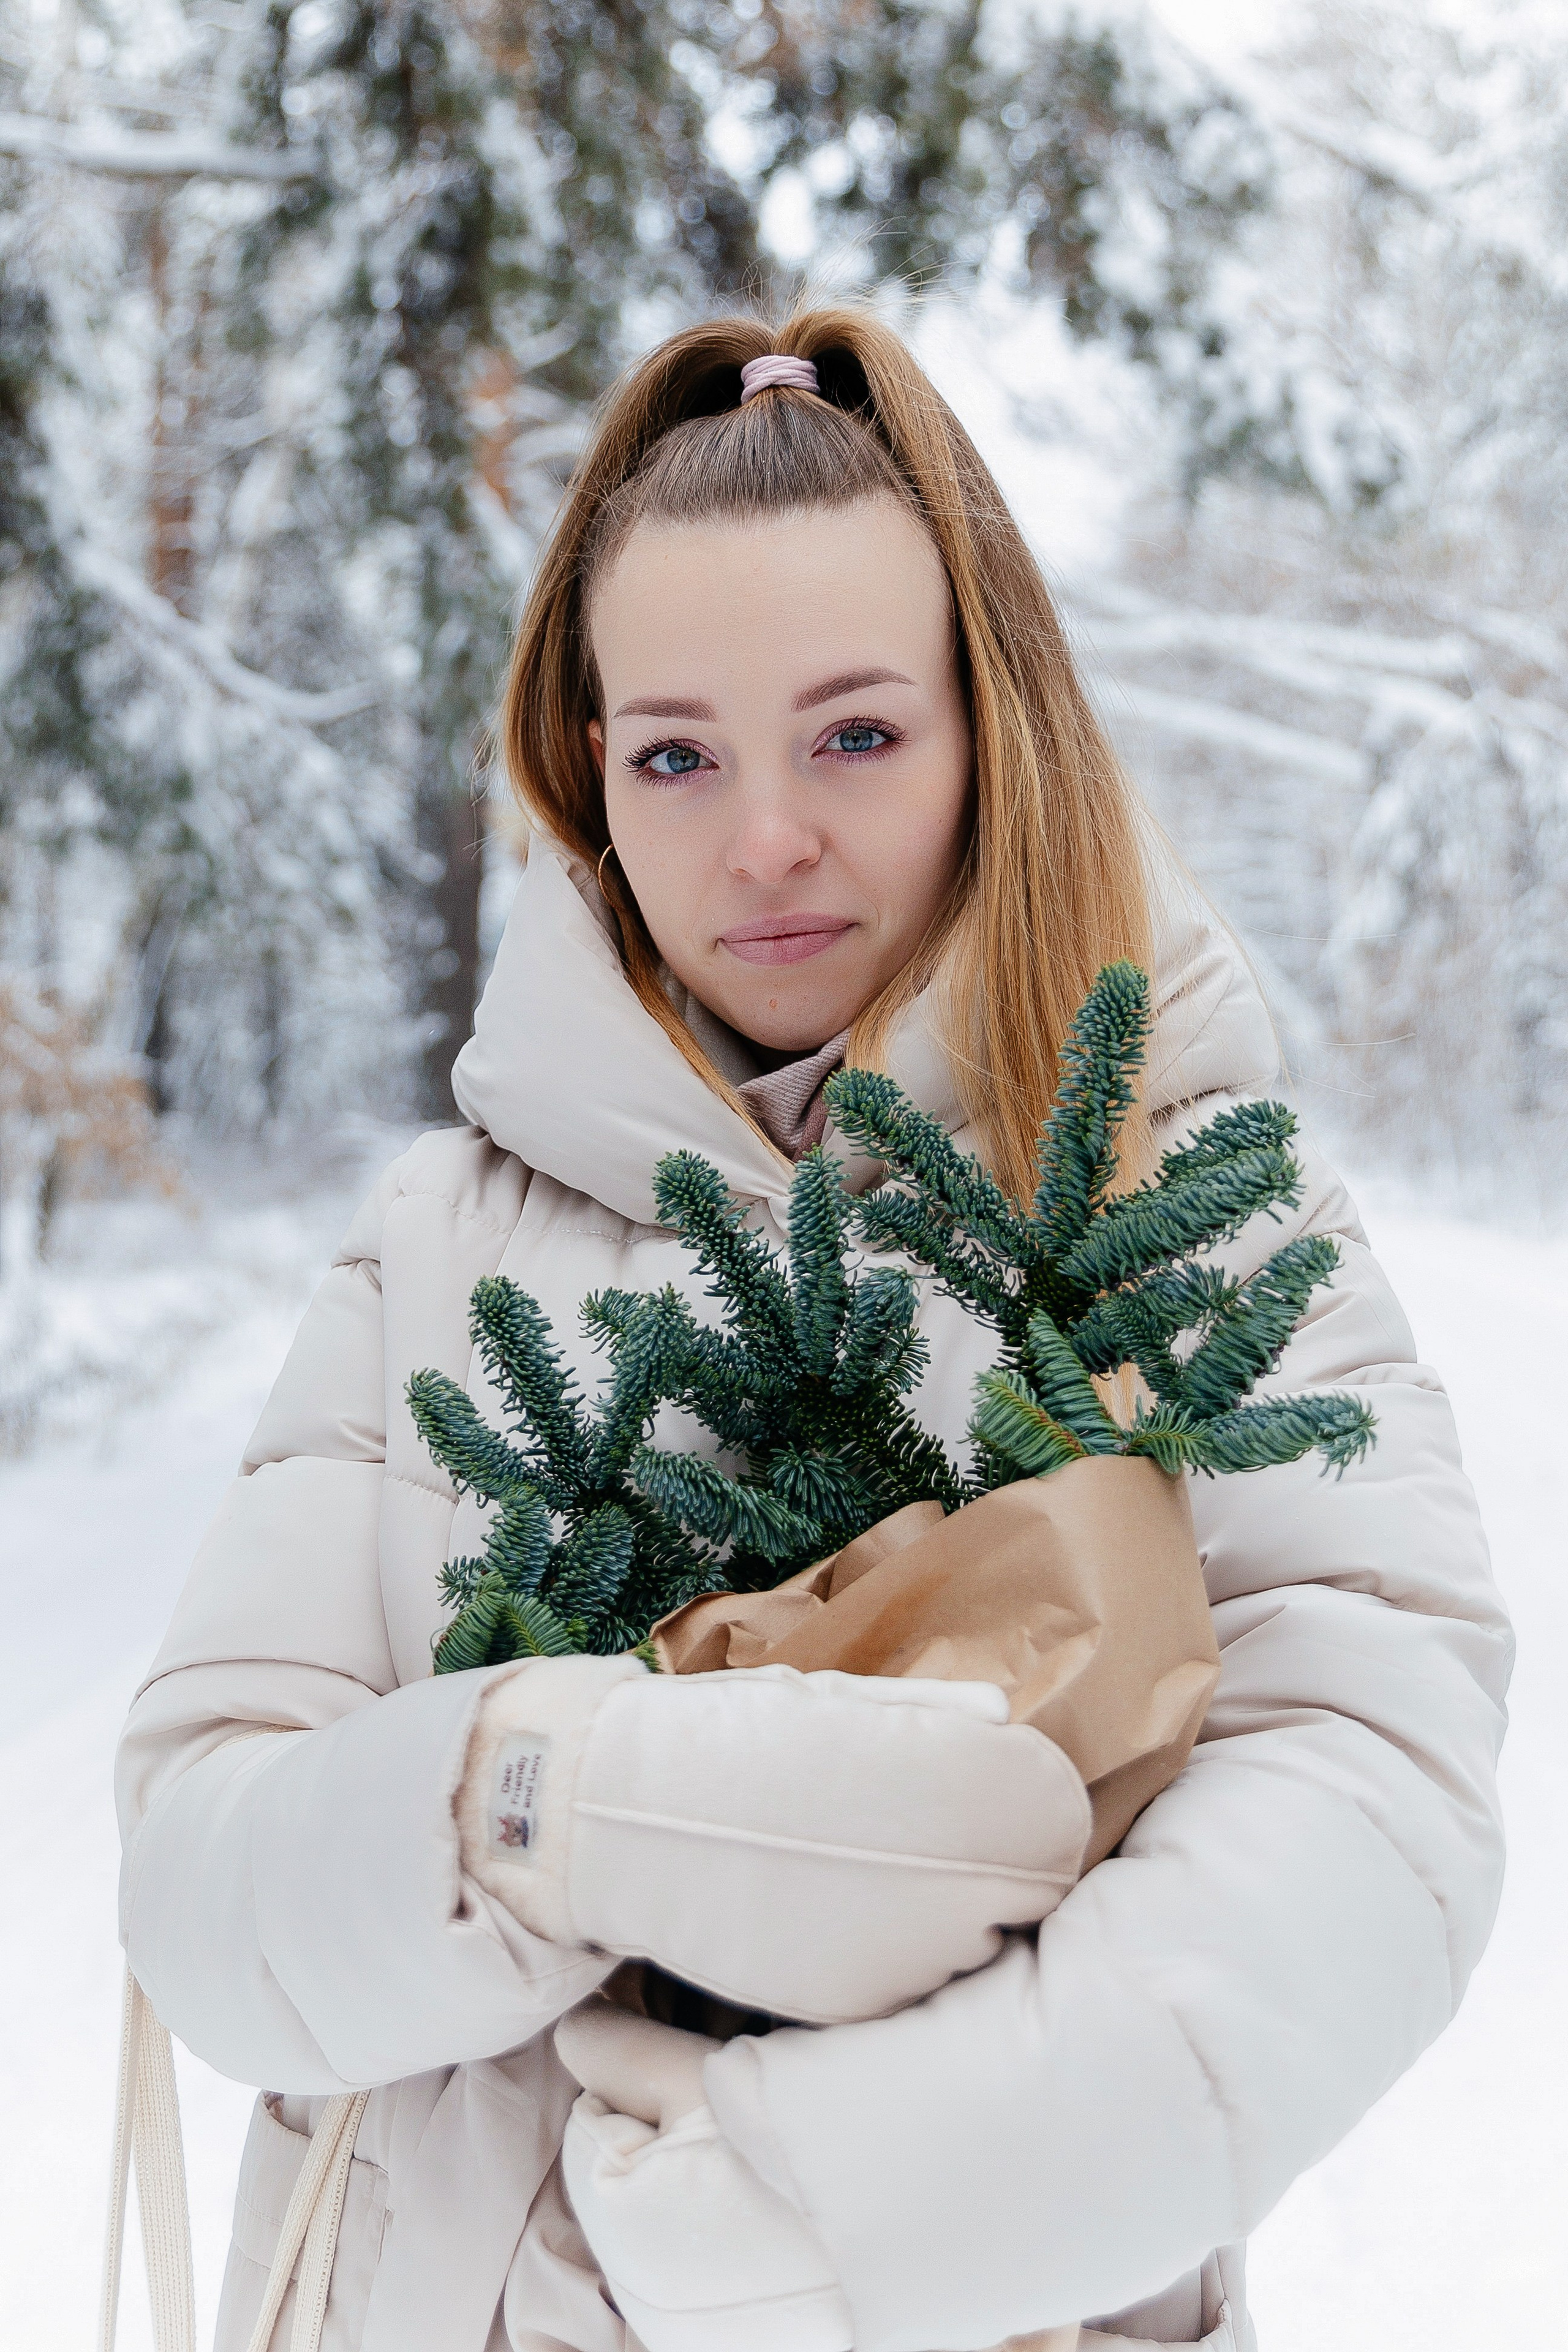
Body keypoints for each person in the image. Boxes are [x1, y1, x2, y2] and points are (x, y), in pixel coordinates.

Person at [115, 311, 1510, 2352]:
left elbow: (1371, 1797)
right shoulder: (433, 1245)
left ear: (987, 731)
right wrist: (526, 1802)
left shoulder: (1187, 1190)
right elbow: (200, 1873)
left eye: (853, 736)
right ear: (592, 769)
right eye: (679, 754)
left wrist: (815, 2215)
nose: (763, 841)